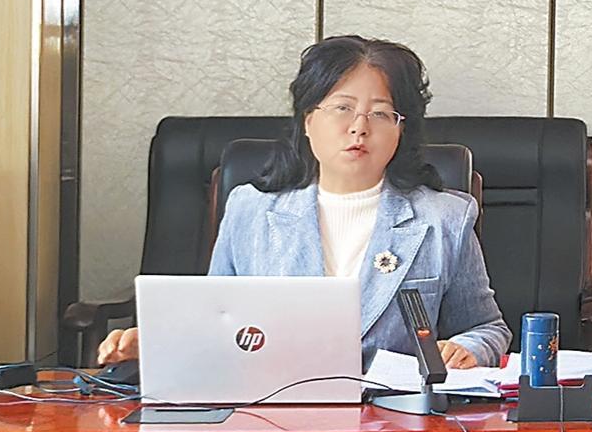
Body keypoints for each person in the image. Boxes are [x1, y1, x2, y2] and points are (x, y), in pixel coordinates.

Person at [98, 35, 512, 369]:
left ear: (401, 130)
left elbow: (488, 328)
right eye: (342, 108)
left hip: (394, 418)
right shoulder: (251, 210)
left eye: (381, 114)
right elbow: (217, 327)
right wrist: (156, 341)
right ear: (308, 121)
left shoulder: (444, 218)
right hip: (273, 410)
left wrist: (468, 348)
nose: (359, 128)